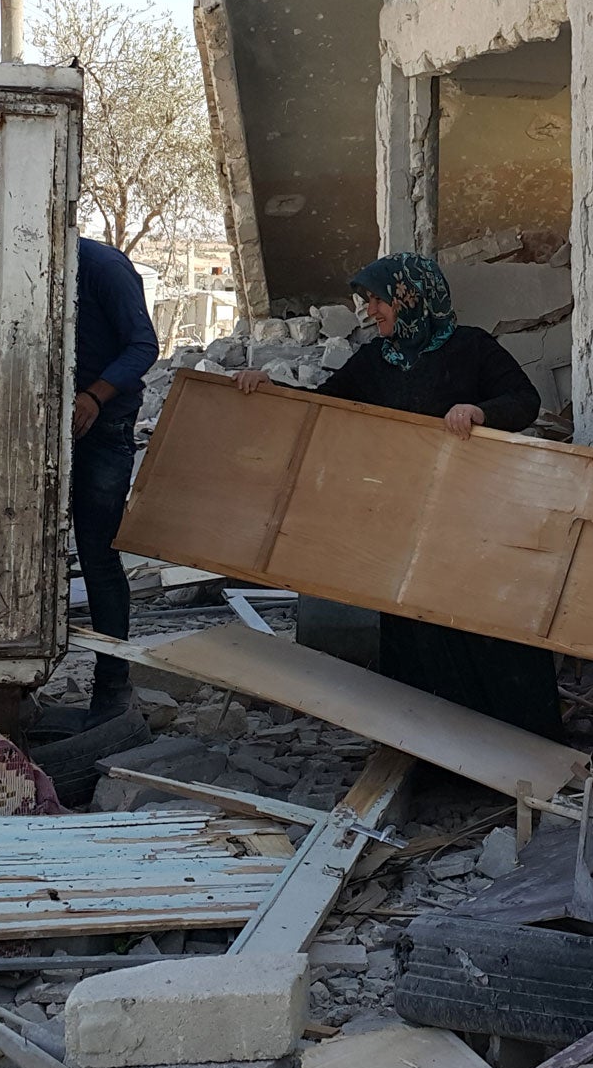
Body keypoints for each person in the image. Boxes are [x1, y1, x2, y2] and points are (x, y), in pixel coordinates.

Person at [237, 252, 561, 739]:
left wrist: (479, 411)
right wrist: (270, 390)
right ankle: (427, 751)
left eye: (378, 299)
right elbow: (326, 406)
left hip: (476, 520)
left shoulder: (472, 347)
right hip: (407, 520)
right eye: (367, 301)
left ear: (411, 296)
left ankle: (516, 746)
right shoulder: (374, 362)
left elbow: (524, 401)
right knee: (418, 632)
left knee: (489, 627)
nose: (370, 310)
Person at [72, 237, 159, 723]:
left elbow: (144, 344)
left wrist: (95, 396)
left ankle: (111, 686)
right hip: (43, 424)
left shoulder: (103, 266)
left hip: (103, 426)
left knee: (98, 554)